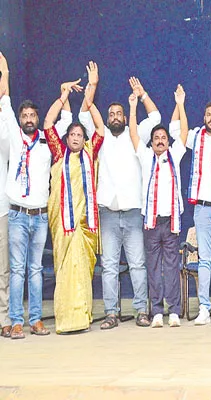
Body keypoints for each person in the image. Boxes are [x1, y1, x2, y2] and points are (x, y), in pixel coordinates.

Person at [0, 54, 72, 339]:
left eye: (33, 116)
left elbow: (66, 119)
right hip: (17, 214)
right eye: (25, 116)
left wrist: (64, 94)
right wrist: (5, 71)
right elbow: (4, 103)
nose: (29, 120)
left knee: (36, 270)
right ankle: (16, 321)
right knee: (17, 270)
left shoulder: (46, 141)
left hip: (40, 216)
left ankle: (36, 320)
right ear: (20, 120)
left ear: (38, 118)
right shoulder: (14, 139)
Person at [79, 71, 156, 330]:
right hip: (108, 212)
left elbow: (155, 117)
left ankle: (141, 311)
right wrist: (92, 85)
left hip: (133, 211)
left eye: (117, 114)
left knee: (137, 265)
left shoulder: (135, 134)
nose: (114, 117)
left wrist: (143, 95)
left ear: (124, 118)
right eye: (110, 114)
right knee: (109, 266)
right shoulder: (99, 138)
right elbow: (83, 114)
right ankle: (111, 313)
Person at [43, 74, 105, 334]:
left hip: (86, 226)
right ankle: (66, 319)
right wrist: (62, 98)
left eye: (81, 134)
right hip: (64, 227)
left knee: (83, 271)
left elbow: (101, 130)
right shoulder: (59, 153)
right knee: (67, 270)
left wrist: (90, 102)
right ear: (67, 138)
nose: (77, 137)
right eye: (73, 134)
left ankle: (82, 316)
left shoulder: (91, 152)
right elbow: (47, 124)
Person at [172, 99, 211, 325]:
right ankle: (203, 308)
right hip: (201, 207)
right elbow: (174, 129)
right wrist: (180, 104)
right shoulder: (196, 136)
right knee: (204, 259)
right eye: (208, 115)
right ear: (204, 117)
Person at [129, 84, 188, 328]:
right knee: (153, 267)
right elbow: (133, 134)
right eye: (157, 139)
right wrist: (133, 108)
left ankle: (174, 310)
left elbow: (183, 131)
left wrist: (180, 104)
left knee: (172, 267)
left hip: (170, 221)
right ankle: (156, 312)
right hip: (151, 223)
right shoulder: (144, 157)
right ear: (151, 143)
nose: (161, 141)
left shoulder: (175, 155)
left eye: (164, 138)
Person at [0, 53, 12, 338]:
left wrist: (6, 73)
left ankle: (3, 318)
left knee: (3, 271)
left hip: (1, 209)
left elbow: (5, 103)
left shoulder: (3, 130)